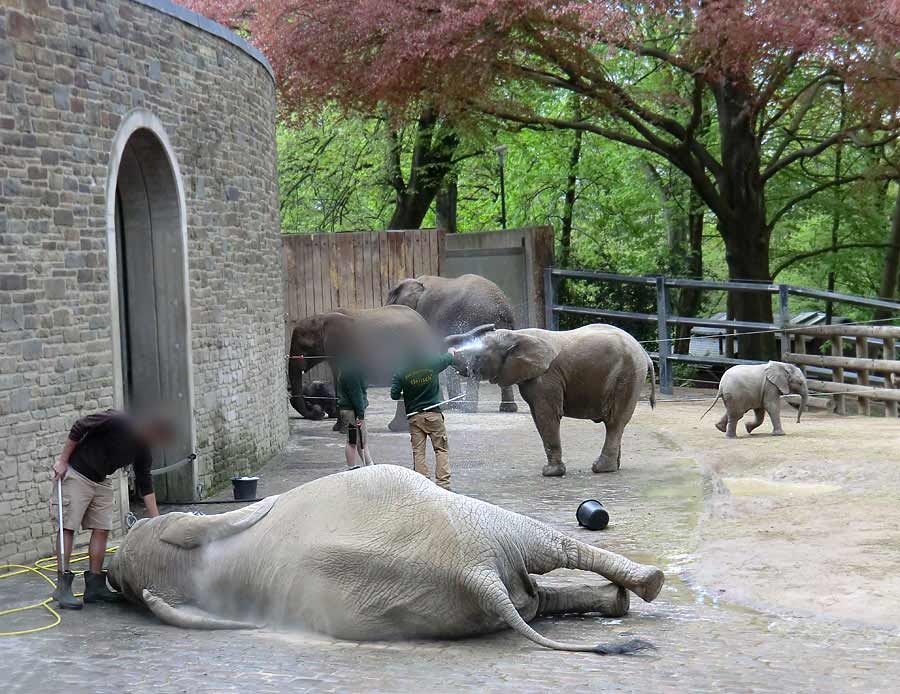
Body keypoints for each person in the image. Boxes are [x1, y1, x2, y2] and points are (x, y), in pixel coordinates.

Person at [50, 410, 174, 609]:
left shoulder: (143, 447)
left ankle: (95, 587)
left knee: (102, 528)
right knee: (68, 526)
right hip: (77, 473)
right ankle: (62, 585)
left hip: (101, 480)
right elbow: (79, 426)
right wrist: (63, 461)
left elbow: (144, 480)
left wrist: (157, 522)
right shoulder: (118, 420)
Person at [390, 349, 458, 490]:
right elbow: (448, 358)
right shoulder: (432, 364)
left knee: (418, 452)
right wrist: (451, 351)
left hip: (414, 417)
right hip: (434, 416)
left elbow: (394, 395)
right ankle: (443, 485)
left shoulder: (401, 372)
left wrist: (407, 392)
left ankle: (423, 485)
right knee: (441, 450)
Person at [336, 358, 374, 468]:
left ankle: (369, 464)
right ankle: (352, 467)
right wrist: (360, 415)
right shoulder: (352, 372)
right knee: (353, 441)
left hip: (350, 411)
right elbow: (356, 395)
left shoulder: (347, 367)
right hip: (352, 412)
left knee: (361, 440)